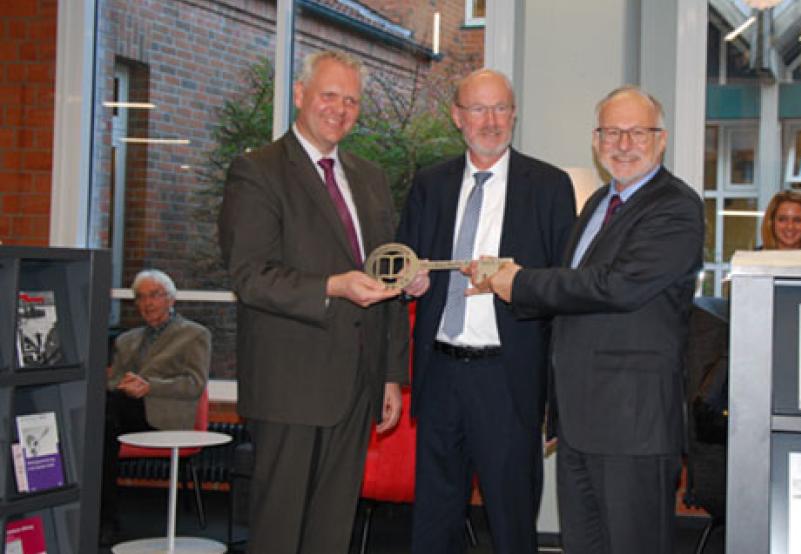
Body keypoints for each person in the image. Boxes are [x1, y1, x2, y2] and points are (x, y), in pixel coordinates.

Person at [469, 85, 704, 553]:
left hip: (632, 425)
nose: (622, 144)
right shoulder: (599, 203)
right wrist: (503, 278)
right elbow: (571, 289)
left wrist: (519, 283)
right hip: (579, 422)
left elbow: (613, 286)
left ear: (661, 140)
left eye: (636, 133)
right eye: (612, 132)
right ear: (596, 142)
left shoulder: (676, 207)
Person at [218, 50, 411, 553]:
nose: (340, 109)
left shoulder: (369, 177)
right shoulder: (257, 171)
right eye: (329, 95)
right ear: (301, 95)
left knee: (331, 530)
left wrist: (391, 374)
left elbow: (382, 275)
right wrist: (332, 286)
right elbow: (250, 276)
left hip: (356, 384)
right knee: (280, 532)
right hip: (290, 384)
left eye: (351, 100)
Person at [396, 68, 576, 554]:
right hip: (439, 375)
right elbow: (403, 271)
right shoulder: (429, 185)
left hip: (508, 379)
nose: (490, 120)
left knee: (512, 520)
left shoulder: (550, 186)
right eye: (478, 109)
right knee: (434, 520)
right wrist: (409, 285)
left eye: (501, 108)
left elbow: (563, 289)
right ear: (458, 117)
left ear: (514, 115)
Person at [100, 269, 211, 544]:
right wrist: (124, 384)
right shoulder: (126, 340)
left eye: (155, 295)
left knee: (103, 422)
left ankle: (104, 520)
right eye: (141, 297)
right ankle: (100, 516)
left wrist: (150, 386)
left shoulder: (194, 335)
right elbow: (112, 382)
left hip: (165, 416)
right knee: (101, 423)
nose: (148, 303)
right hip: (123, 411)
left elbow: (194, 384)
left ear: (171, 299)